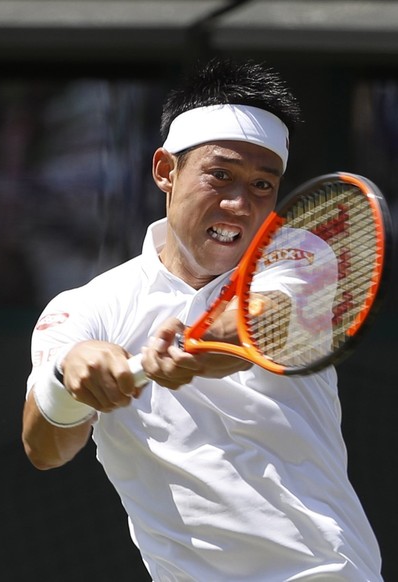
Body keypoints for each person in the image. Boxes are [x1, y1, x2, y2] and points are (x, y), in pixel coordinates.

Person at [22, 58, 383, 581]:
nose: (240, 203)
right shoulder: (86, 307)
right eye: (221, 175)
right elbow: (44, 448)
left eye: (264, 184)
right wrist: (71, 377)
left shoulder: (299, 255)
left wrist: (192, 350)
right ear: (166, 171)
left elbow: (262, 322)